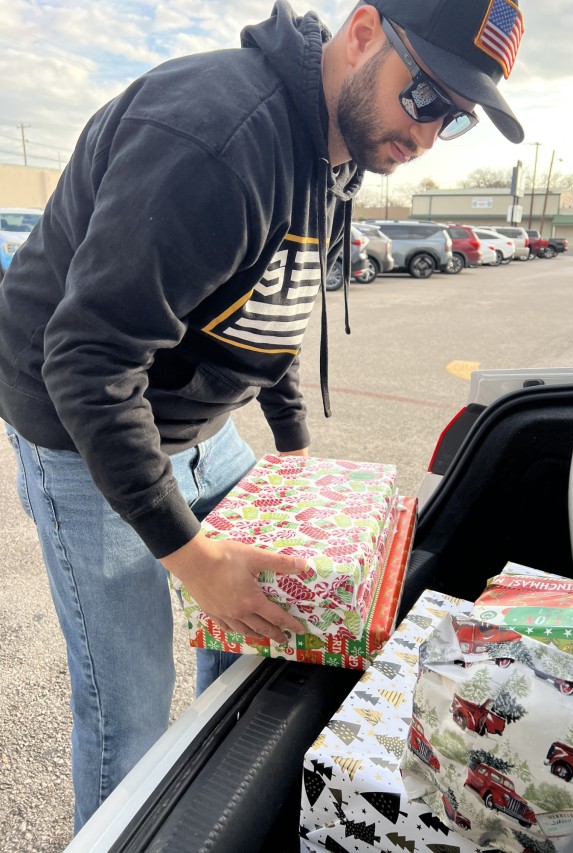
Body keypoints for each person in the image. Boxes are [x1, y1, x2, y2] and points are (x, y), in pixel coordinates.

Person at [0, 0, 525, 832]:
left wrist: (292, 459)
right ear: (361, 34)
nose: (426, 136)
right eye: (424, 97)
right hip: (83, 428)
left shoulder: (340, 152)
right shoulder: (217, 139)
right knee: (130, 711)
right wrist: (192, 552)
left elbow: (273, 313)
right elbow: (87, 360)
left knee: (264, 628)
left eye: (452, 121)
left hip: (205, 426)